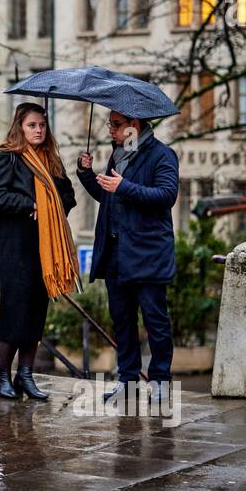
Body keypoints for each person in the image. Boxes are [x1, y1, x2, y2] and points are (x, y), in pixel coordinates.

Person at [76, 110, 179, 401]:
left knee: (155, 320)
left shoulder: (162, 155)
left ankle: (160, 380)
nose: (111, 130)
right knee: (122, 319)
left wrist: (125, 186)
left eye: (117, 124)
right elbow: (111, 196)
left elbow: (166, 196)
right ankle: (128, 379)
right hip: (116, 255)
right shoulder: (118, 155)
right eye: (110, 123)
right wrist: (87, 174)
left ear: (135, 125)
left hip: (147, 254)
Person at [0, 102, 79, 401]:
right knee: (16, 306)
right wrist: (31, 205)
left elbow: (69, 197)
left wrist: (53, 206)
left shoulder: (50, 160)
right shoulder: (4, 156)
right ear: (19, 127)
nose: (38, 130)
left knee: (37, 308)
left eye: (42, 125)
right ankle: (2, 375)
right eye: (32, 125)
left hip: (45, 246)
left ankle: (25, 375)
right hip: (14, 244)